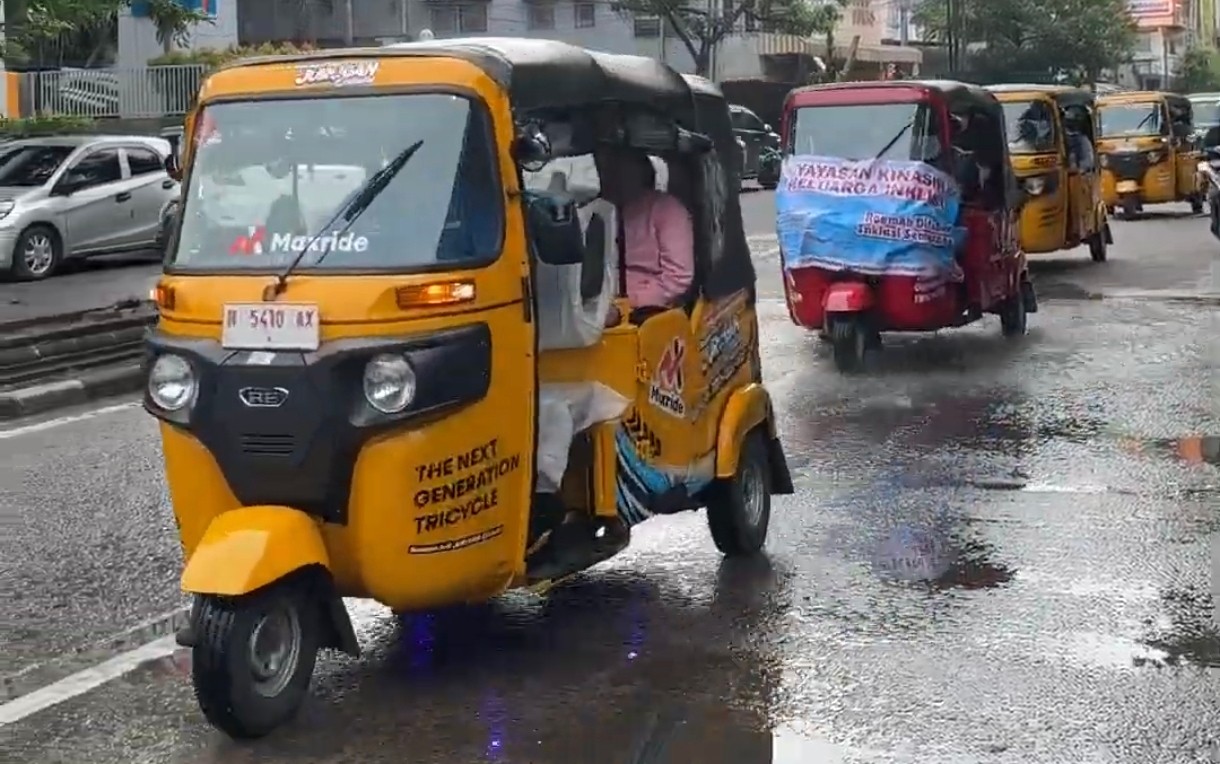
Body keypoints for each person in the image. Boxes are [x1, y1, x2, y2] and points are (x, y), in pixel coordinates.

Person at [594, 147, 695, 326]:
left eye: (617, 170)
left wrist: (628, 303)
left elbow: (677, 277)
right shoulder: (598, 209)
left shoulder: (667, 209)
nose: (608, 176)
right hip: (598, 300)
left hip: (648, 311)